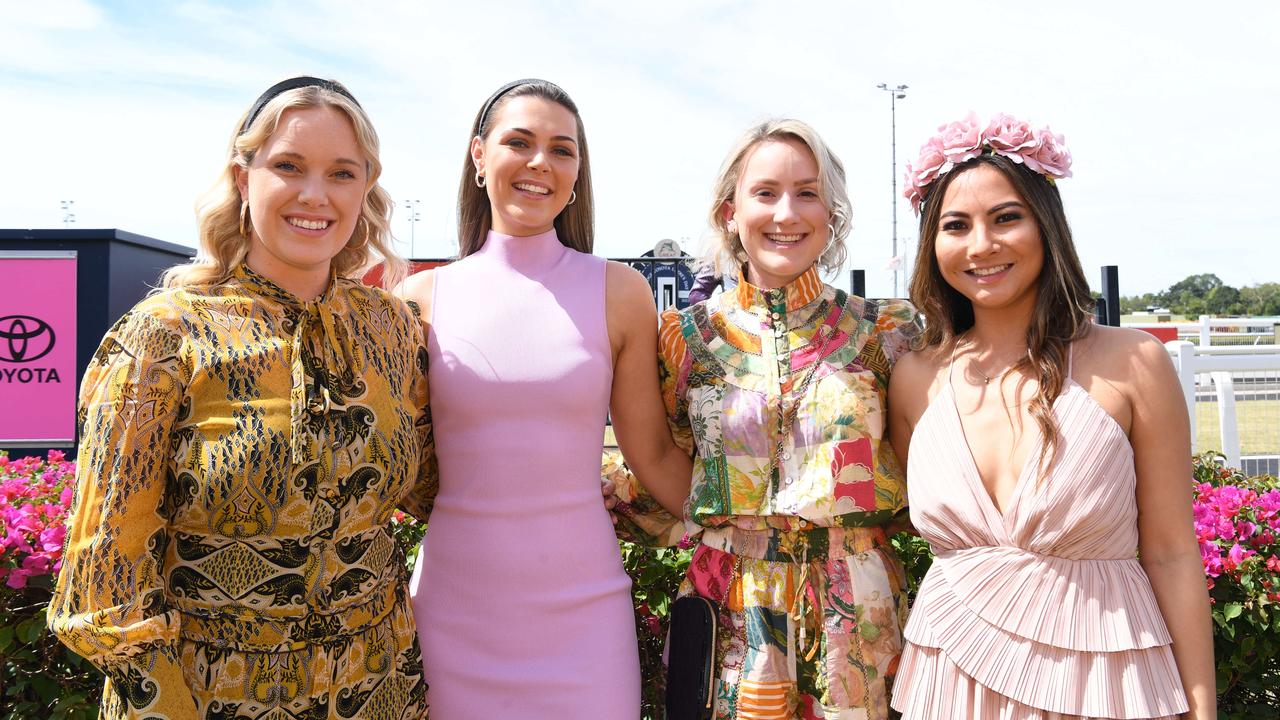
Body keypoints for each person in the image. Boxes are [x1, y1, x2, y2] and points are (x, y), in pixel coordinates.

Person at [47, 77, 431, 719]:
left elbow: (442, 485)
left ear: (365, 190)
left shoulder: (391, 330)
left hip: (382, 689)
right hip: (205, 697)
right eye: (288, 165)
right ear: (242, 176)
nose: (316, 194)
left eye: (342, 172)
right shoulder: (164, 337)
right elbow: (103, 588)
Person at [887, 114, 1216, 718]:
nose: (981, 245)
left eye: (1006, 217)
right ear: (934, 247)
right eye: (956, 226)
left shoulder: (1135, 362)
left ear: (1048, 225)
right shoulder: (914, 379)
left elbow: (1171, 552)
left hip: (1107, 682)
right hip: (949, 681)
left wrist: (1203, 709)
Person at [397, 78, 690, 719]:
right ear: (479, 157)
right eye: (519, 143)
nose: (540, 164)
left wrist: (760, 523)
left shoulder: (621, 291)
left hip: (586, 619)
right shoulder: (419, 302)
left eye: (562, 150)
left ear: (578, 173)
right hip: (452, 615)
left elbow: (655, 457)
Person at [612, 119, 924, 719]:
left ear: (831, 212)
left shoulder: (889, 330)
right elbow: (659, 457)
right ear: (730, 211)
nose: (787, 212)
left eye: (807, 192)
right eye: (765, 193)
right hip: (725, 603)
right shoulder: (683, 337)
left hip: (858, 609)